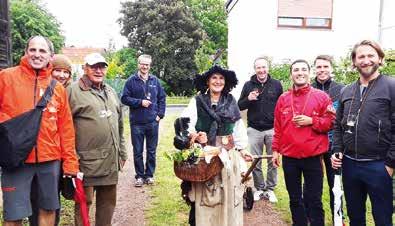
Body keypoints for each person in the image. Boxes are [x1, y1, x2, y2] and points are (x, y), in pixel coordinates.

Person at [0, 35, 79, 226]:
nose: (37, 54)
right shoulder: (6, 77)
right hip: (15, 160)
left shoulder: (57, 88)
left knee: (48, 209)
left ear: (50, 56)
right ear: (26, 52)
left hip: (49, 160)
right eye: (33, 50)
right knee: (13, 215)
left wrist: (70, 164)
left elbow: (65, 128)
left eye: (42, 51)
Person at [331, 40, 395, 226]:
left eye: (370, 56)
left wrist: (390, 164)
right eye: (361, 56)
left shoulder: (391, 87)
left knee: (383, 218)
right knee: (355, 217)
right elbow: (338, 125)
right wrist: (337, 150)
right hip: (350, 165)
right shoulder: (346, 91)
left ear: (380, 59)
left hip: (379, 165)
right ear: (354, 62)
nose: (366, 60)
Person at [180, 65, 253, 226]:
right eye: (214, 78)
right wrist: (195, 136)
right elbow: (183, 125)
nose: (218, 81)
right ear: (207, 81)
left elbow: (238, 127)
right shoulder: (197, 101)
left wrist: (242, 149)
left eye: (221, 78)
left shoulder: (231, 101)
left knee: (227, 195)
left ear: (226, 82)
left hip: (227, 156)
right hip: (205, 157)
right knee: (204, 197)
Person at [272, 59, 335, 226]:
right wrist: (275, 150)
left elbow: (330, 123)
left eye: (303, 70)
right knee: (294, 199)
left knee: (314, 199)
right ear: (291, 74)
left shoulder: (322, 97)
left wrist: (311, 121)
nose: (300, 73)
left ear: (309, 73)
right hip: (289, 158)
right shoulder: (283, 99)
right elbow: (278, 127)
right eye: (296, 70)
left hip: (313, 158)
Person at [67, 52, 128, 226]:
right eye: (94, 66)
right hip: (85, 162)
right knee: (84, 204)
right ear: (85, 68)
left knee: (108, 204)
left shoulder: (109, 91)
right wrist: (71, 158)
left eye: (102, 67)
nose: (98, 70)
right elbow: (64, 127)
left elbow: (120, 124)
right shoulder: (73, 91)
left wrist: (122, 152)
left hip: (110, 159)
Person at [29, 53, 74, 226]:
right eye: (57, 70)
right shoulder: (41, 90)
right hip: (47, 154)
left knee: (54, 199)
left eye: (66, 72)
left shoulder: (72, 91)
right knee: (41, 197)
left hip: (65, 153)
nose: (61, 75)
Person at [238, 56, 283, 203]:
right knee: (255, 161)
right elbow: (239, 105)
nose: (261, 70)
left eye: (264, 67)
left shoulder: (276, 85)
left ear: (268, 68)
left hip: (272, 129)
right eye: (258, 67)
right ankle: (259, 188)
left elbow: (282, 106)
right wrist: (248, 99)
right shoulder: (248, 85)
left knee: (272, 160)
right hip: (254, 129)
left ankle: (270, 189)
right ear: (255, 69)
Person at [121, 54, 166, 187]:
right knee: (138, 151)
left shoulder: (155, 81)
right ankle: (140, 176)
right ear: (138, 64)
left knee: (152, 151)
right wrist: (140, 102)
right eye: (142, 64)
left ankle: (149, 175)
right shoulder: (131, 81)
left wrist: (160, 115)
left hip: (152, 122)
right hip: (137, 123)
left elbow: (162, 98)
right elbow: (124, 98)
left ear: (150, 66)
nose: (145, 66)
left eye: (147, 64)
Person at [309, 55, 344, 222]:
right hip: (313, 143)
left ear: (331, 68)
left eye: (325, 66)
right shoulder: (308, 89)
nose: (322, 70)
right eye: (319, 67)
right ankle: (311, 217)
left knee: (335, 184)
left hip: (333, 144)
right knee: (311, 185)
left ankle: (338, 218)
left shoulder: (341, 89)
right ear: (314, 69)